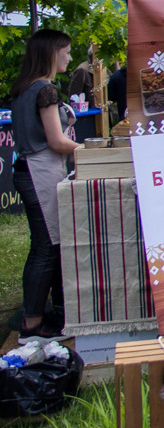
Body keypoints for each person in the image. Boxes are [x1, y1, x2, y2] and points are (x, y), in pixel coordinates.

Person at [10, 29, 80, 342]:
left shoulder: (25, 88)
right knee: (46, 248)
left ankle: (41, 316)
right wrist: (89, 149)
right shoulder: (45, 90)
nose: (69, 56)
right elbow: (55, 140)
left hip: (29, 169)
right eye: (65, 51)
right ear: (52, 53)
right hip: (40, 171)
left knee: (44, 246)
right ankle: (32, 325)